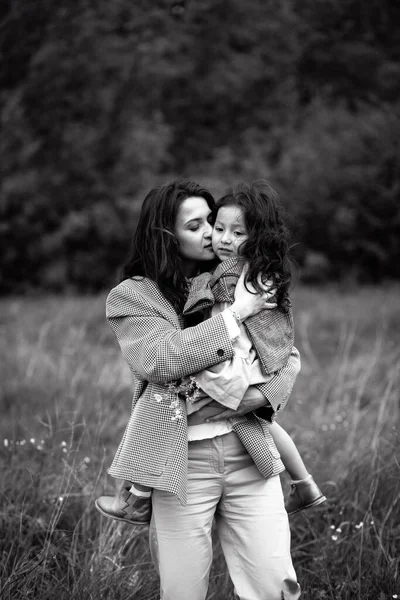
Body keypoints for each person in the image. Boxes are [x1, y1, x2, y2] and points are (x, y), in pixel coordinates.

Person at [96, 179, 301, 600]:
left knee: (276, 586)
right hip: (181, 466)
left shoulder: (241, 276)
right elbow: (162, 359)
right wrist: (235, 316)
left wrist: (261, 397)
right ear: (165, 236)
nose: (213, 233)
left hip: (248, 453)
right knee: (182, 591)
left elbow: (287, 352)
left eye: (213, 221)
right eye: (196, 225)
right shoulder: (134, 296)